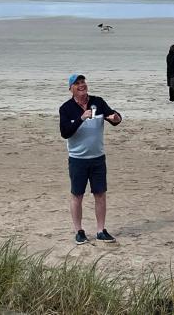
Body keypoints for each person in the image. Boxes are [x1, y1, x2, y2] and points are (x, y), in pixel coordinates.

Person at [59, 74, 122, 245]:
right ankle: (79, 231)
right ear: (71, 88)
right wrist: (81, 118)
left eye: (83, 82)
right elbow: (65, 132)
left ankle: (101, 230)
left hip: (97, 157)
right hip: (78, 158)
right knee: (77, 195)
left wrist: (116, 118)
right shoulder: (66, 108)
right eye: (77, 83)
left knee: (100, 194)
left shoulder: (98, 102)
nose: (81, 85)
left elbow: (114, 117)